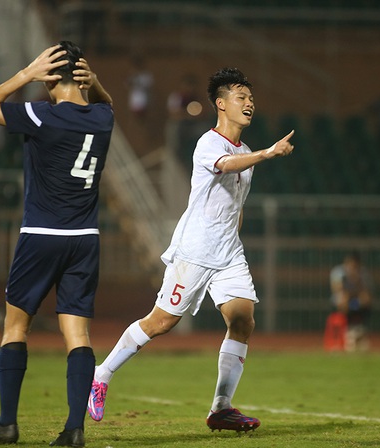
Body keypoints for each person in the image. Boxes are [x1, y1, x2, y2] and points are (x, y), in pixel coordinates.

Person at [88, 67, 294, 433]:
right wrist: (267, 153)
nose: (249, 103)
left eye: (251, 98)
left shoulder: (245, 150)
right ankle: (101, 374)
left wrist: (234, 237)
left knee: (243, 320)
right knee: (162, 322)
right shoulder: (209, 143)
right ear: (221, 104)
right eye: (241, 97)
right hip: (196, 250)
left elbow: (236, 204)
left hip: (228, 252)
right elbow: (226, 166)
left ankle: (221, 408)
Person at [0, 41, 114, 447]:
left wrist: (24, 74)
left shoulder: (41, 115)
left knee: (16, 326)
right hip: (85, 239)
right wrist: (98, 84)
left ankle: (7, 424)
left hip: (42, 236)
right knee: (79, 335)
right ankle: (74, 430)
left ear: (50, 76)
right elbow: (108, 105)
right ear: (82, 75)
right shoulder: (102, 117)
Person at [329, 252, 374, 352]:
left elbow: (366, 294)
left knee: (364, 301)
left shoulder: (363, 274)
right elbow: (338, 291)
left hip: (354, 302)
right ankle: (347, 331)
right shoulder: (338, 272)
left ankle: (359, 330)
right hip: (341, 300)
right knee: (343, 301)